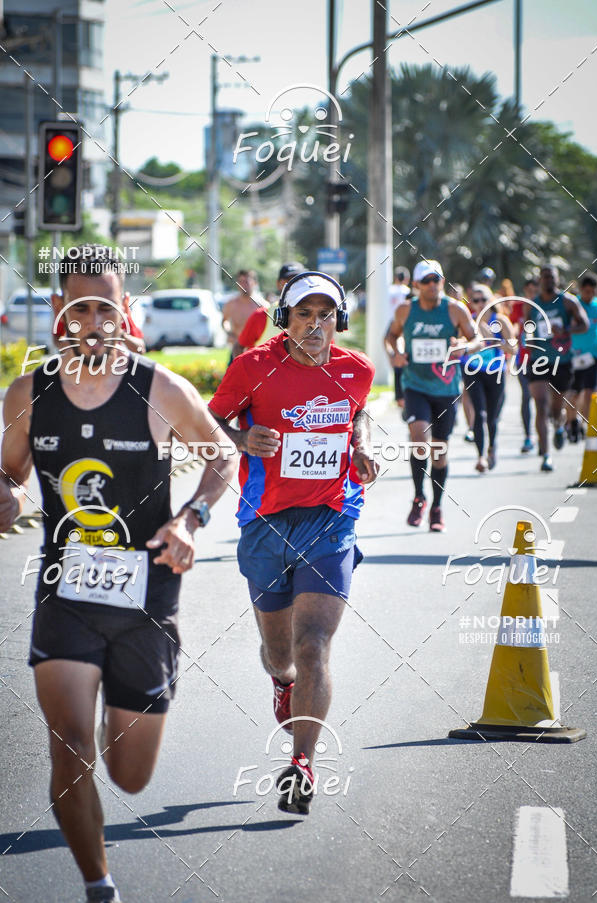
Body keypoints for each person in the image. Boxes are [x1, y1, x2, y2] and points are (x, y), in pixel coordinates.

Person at [0, 244, 237, 903]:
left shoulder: (161, 389)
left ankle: (123, 713)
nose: (96, 321)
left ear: (127, 311)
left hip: (146, 600)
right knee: (70, 748)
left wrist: (190, 520)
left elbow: (223, 457)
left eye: (108, 307)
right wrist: (10, 499)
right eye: (81, 308)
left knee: (129, 774)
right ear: (58, 313)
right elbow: (11, 479)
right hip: (65, 596)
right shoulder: (29, 393)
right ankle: (99, 885)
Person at [208, 271, 377, 815]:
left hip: (331, 519)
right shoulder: (253, 367)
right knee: (280, 654)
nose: (314, 325)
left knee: (313, 647)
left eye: (325, 314)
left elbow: (356, 416)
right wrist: (240, 436)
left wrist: (363, 446)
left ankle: (302, 763)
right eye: (303, 314)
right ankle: (283, 683)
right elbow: (207, 422)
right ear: (286, 318)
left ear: (339, 321)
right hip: (265, 524)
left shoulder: (357, 371)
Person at [384, 260, 480, 531]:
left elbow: (476, 339)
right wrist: (395, 354)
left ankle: (436, 506)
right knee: (418, 437)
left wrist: (464, 346)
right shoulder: (406, 310)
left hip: (446, 388)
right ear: (416, 285)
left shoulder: (454, 309)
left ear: (442, 281)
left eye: (436, 279)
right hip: (415, 384)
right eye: (426, 280)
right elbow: (390, 337)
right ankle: (418, 497)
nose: (432, 285)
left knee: (439, 451)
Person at [524, 264, 588, 471]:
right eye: (544, 277)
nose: (548, 280)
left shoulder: (568, 301)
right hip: (538, 360)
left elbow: (584, 324)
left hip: (562, 361)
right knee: (540, 404)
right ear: (539, 280)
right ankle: (545, 455)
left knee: (556, 407)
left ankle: (559, 426)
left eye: (552, 277)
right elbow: (526, 329)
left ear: (557, 279)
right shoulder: (531, 305)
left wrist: (566, 329)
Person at [464, 285, 516, 472]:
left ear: (491, 300)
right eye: (475, 300)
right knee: (479, 413)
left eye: (483, 300)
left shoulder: (500, 321)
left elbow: (513, 348)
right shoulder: (468, 320)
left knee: (492, 417)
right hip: (473, 369)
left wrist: (494, 340)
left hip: (495, 371)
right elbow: (460, 342)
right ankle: (481, 456)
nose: (479, 304)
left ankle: (492, 448)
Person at [230, 262, 305, 360]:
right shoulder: (262, 315)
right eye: (288, 281)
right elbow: (239, 346)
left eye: (298, 280)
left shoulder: (318, 318)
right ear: (278, 284)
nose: (293, 285)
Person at [566, 272, 597, 441]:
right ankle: (572, 421)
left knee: (590, 392)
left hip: (594, 355)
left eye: (593, 291)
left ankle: (588, 425)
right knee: (574, 392)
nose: (590, 295)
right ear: (581, 290)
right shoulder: (573, 306)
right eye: (586, 291)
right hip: (575, 355)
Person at [511, 277, 540, 453]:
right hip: (523, 359)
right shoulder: (517, 307)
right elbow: (513, 325)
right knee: (527, 396)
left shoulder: (545, 307)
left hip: (544, 360)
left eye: (534, 290)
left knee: (543, 400)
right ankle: (528, 436)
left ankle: (552, 428)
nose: (531, 293)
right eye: (528, 290)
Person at [222, 270, 268, 361]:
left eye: (246, 282)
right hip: (236, 351)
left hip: (256, 353)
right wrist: (229, 333)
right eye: (241, 282)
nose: (243, 285)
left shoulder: (263, 306)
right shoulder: (231, 304)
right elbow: (224, 321)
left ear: (254, 283)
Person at [385, 266, 413, 409]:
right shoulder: (408, 292)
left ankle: (400, 396)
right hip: (406, 324)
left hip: (392, 323)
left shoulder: (389, 290)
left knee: (397, 358)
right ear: (406, 279)